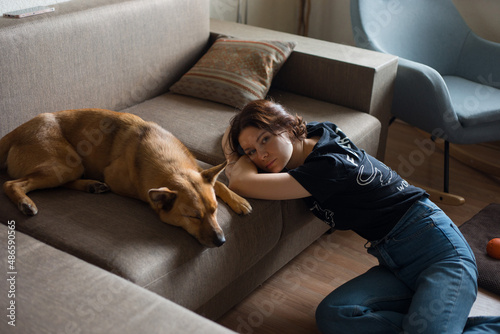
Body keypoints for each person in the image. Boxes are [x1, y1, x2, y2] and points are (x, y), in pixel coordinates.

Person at [222, 99, 500, 334]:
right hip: (395, 263)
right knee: (334, 314)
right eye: (251, 152)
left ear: (287, 127)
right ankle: (437, 324)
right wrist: (241, 146)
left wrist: (236, 158)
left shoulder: (327, 167)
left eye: (265, 139)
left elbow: (240, 183)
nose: (261, 155)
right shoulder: (318, 133)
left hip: (440, 254)